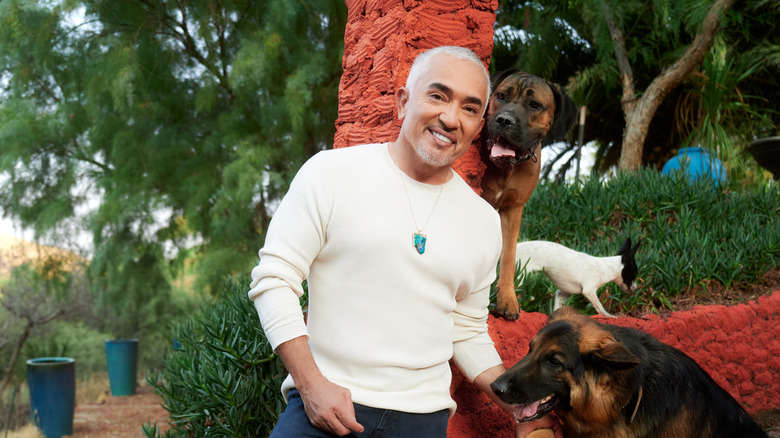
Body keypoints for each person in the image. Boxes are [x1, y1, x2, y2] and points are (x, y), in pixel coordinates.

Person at [248, 46, 561, 438]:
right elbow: (274, 281)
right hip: (322, 412)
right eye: (437, 96)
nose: (450, 118)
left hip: (423, 422)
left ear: (480, 123)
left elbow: (466, 329)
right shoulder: (330, 173)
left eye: (468, 108)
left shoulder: (482, 220)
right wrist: (311, 386)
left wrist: (519, 403)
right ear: (402, 102)